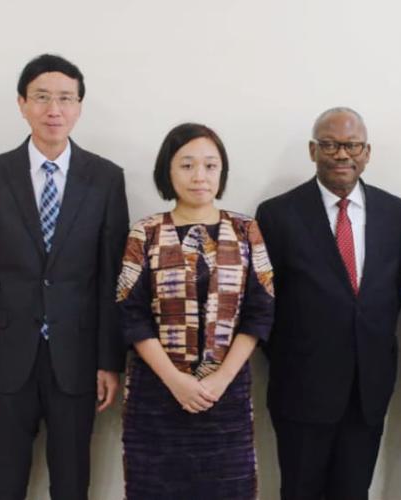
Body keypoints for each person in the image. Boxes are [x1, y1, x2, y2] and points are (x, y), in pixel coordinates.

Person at [0, 54, 129, 499]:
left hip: (77, 358)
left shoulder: (106, 178)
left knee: (72, 482)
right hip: (8, 357)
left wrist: (109, 361)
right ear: (22, 104)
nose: (54, 109)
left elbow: (114, 277)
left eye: (66, 99)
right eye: (42, 97)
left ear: (79, 107)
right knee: (6, 482)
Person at [255, 107, 401, 500]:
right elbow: (263, 303)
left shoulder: (396, 213)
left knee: (353, 492)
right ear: (313, 150)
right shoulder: (277, 214)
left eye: (351, 145)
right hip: (301, 390)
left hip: (367, 391)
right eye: (330, 145)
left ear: (367, 152)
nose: (342, 154)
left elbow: (391, 294)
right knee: (300, 491)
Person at [115, 123, 274, 499]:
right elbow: (130, 314)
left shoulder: (246, 230)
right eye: (186, 165)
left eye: (210, 165)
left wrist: (220, 380)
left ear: (222, 172)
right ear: (167, 172)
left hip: (227, 399)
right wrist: (176, 381)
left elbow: (260, 310)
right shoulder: (146, 232)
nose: (199, 176)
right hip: (156, 398)